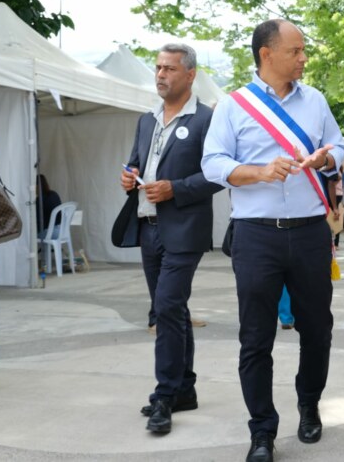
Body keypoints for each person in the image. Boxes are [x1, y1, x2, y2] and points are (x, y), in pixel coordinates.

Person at [201, 18, 344, 462]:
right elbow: (212, 163)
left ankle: (309, 403)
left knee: (317, 328)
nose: (304, 58)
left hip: (310, 231)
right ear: (267, 54)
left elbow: (338, 146)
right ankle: (262, 429)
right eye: (295, 51)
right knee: (256, 337)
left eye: (303, 50)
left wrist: (325, 161)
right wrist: (259, 172)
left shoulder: (315, 100)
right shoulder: (233, 106)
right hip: (255, 234)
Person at [118, 43, 223, 434]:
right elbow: (135, 162)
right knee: (172, 310)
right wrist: (129, 176)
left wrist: (175, 188)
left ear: (190, 74)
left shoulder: (206, 119)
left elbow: (218, 174)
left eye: (169, 69)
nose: (161, 75)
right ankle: (185, 390)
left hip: (185, 229)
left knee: (165, 308)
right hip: (148, 226)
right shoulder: (146, 119)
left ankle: (164, 395)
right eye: (158, 68)